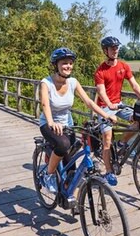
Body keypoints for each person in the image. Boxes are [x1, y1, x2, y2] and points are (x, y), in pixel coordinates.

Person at [39, 47, 117, 194]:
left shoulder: (73, 82)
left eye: (70, 63)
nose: (68, 66)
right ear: (56, 65)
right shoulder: (46, 83)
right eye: (64, 63)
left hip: (67, 125)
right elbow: (45, 104)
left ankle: (67, 195)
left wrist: (106, 115)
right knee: (63, 145)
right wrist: (51, 122)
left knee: (71, 165)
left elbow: (89, 102)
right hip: (49, 123)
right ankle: (48, 175)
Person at [94, 36, 140, 186]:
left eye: (117, 47)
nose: (115, 50)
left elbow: (134, 85)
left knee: (139, 120)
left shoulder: (124, 66)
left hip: (119, 105)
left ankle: (122, 143)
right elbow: (101, 91)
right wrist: (109, 105)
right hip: (105, 107)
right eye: (112, 48)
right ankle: (109, 172)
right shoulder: (100, 71)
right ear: (105, 51)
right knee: (107, 140)